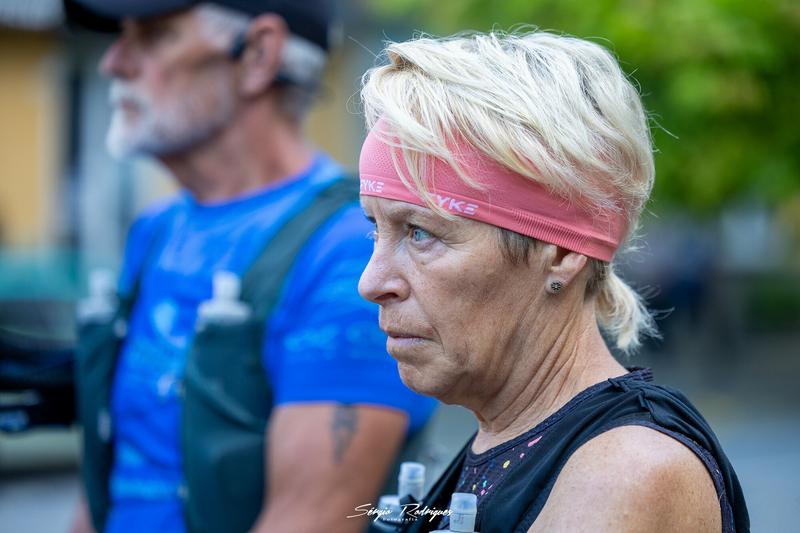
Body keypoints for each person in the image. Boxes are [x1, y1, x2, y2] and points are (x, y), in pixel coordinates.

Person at [64, 1, 436, 533]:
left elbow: (311, 520)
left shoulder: (352, 251)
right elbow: (109, 476)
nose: (114, 62)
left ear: (259, 54)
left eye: (153, 35)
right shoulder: (157, 230)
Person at [356, 30, 749, 533]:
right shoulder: (511, 437)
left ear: (561, 251)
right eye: (375, 228)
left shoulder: (623, 473)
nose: (372, 282)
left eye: (421, 233)